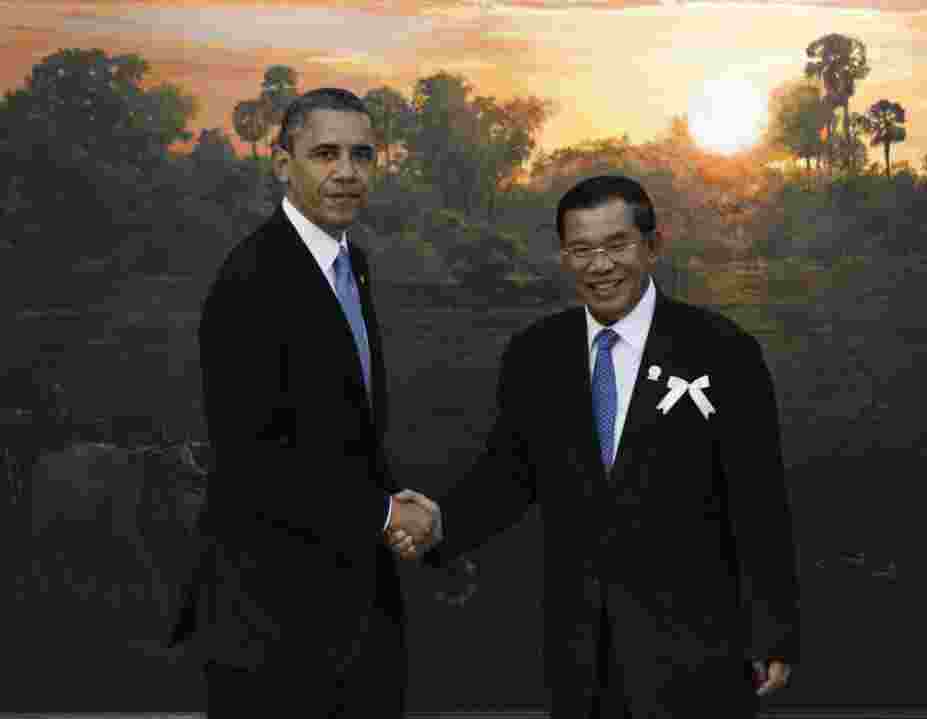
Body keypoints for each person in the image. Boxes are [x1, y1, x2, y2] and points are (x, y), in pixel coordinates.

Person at [387, 175, 801, 719]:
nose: (600, 265)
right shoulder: (536, 354)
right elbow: (507, 479)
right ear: (564, 257)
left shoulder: (723, 351)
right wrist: (438, 524)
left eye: (617, 245)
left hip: (699, 652)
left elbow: (760, 498)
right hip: (579, 655)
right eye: (581, 249)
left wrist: (773, 629)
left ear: (653, 248)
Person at [165, 88, 438, 718]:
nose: (347, 171)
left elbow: (345, 429)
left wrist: (397, 505)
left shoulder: (350, 264)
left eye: (362, 154)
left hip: (353, 613)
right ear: (283, 163)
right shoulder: (251, 280)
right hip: (272, 622)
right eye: (325, 153)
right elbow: (254, 463)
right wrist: (385, 516)